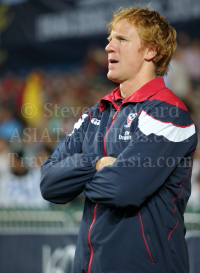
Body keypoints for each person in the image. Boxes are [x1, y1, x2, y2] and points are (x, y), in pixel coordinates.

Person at [40, 5, 198, 273]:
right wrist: (98, 164)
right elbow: (49, 183)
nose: (109, 47)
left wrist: (77, 178)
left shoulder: (169, 113)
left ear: (151, 50)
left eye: (121, 39)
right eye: (110, 39)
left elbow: (122, 189)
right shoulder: (94, 114)